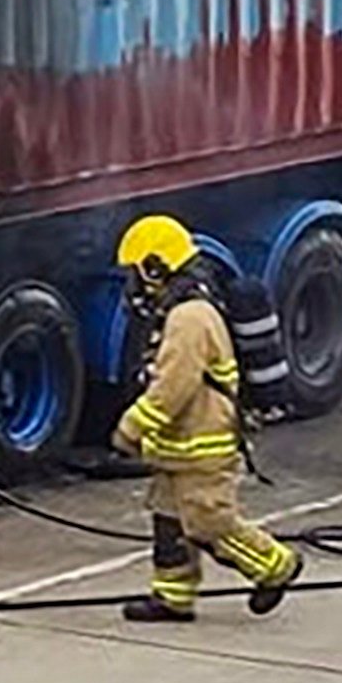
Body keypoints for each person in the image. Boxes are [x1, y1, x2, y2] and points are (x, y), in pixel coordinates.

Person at [110, 214, 301, 623]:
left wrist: (131, 428)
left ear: (155, 267)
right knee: (168, 522)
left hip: (201, 444)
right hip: (178, 446)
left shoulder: (189, 319)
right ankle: (173, 597)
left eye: (135, 273)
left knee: (208, 522)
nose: (133, 285)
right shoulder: (179, 312)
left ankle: (275, 565)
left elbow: (173, 387)